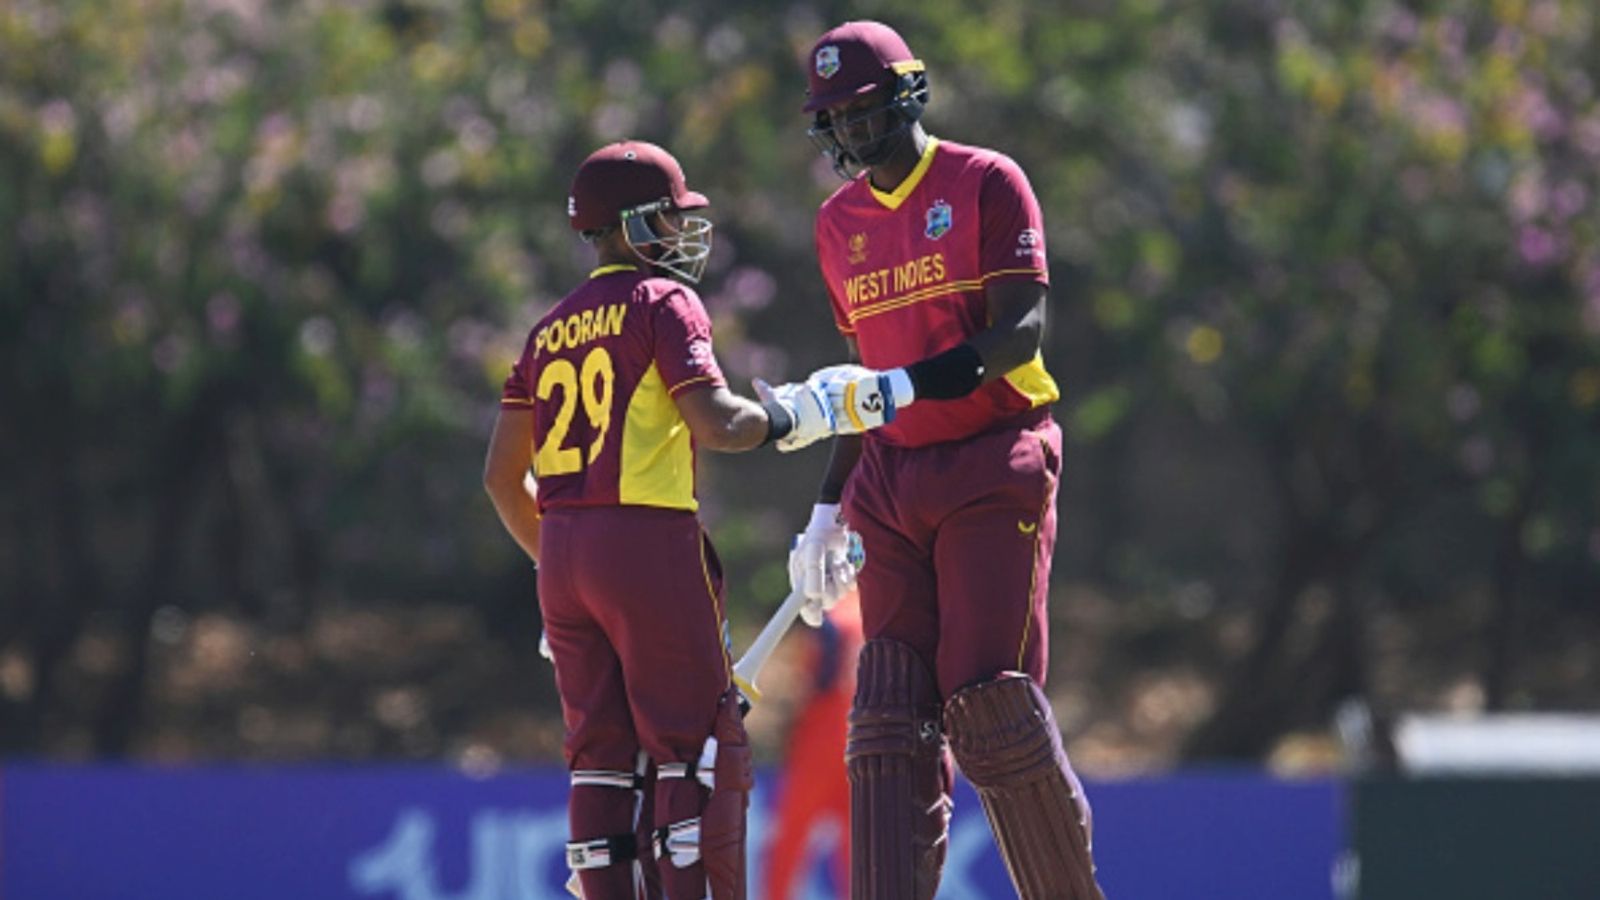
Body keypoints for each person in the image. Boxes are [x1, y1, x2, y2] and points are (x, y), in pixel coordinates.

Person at [769, 20, 1105, 899]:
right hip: (889, 483)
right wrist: (826, 508)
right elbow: (858, 390)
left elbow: (1020, 331)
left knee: (985, 699)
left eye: (862, 107)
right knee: (886, 715)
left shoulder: (986, 182)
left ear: (906, 94)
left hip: (993, 461)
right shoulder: (837, 223)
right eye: (832, 118)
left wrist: (910, 388)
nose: (849, 131)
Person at [482, 140, 837, 899]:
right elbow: (717, 424)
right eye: (670, 218)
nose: (682, 234)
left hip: (566, 550)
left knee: (602, 758)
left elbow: (500, 478)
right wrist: (795, 415)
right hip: (646, 540)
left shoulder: (547, 329)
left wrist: (558, 566)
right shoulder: (663, 302)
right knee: (699, 748)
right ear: (629, 225)